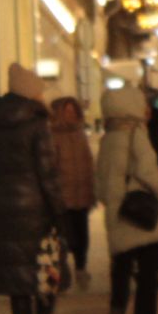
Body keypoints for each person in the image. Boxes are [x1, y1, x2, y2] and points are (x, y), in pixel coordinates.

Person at [0, 64, 64, 314]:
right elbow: (48, 172)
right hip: (37, 211)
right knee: (47, 272)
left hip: (5, 210)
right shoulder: (37, 123)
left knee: (17, 279)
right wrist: (59, 210)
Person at [95, 85, 158, 314]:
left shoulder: (108, 138)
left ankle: (116, 313)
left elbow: (99, 181)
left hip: (118, 212)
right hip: (140, 211)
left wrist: (111, 199)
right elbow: (146, 170)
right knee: (147, 270)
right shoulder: (136, 134)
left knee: (121, 268)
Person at [47, 96, 96, 291]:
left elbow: (88, 162)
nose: (71, 115)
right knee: (64, 237)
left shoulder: (80, 134)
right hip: (64, 196)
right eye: (67, 111)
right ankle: (61, 272)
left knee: (82, 235)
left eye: (73, 111)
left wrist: (92, 188)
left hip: (82, 194)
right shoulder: (53, 135)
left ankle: (81, 268)